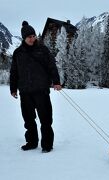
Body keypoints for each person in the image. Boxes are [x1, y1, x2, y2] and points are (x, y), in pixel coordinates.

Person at [10, 21, 62, 153]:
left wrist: (56, 81)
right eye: (30, 37)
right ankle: (32, 142)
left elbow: (52, 66)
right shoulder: (18, 53)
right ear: (24, 38)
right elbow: (14, 71)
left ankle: (47, 145)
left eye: (34, 36)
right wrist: (13, 88)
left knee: (45, 119)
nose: (33, 39)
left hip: (41, 90)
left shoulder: (42, 50)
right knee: (28, 120)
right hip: (25, 91)